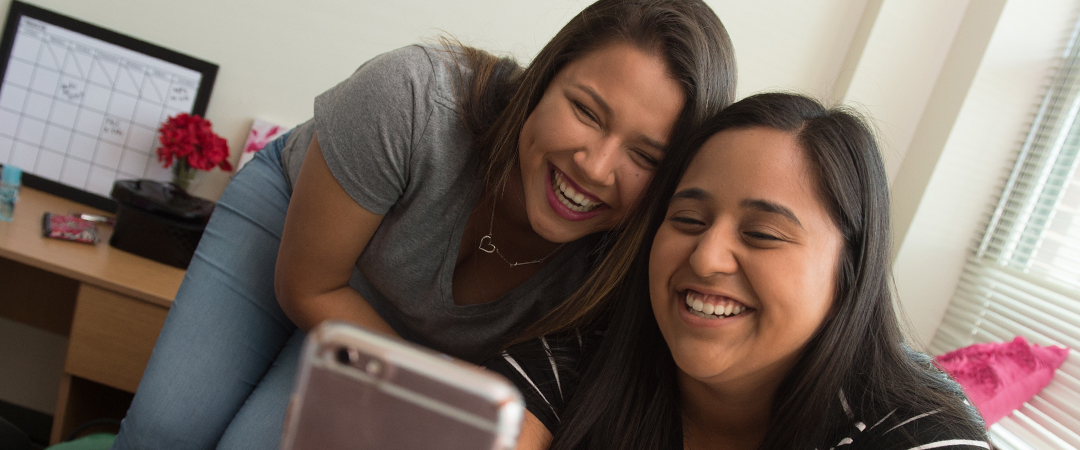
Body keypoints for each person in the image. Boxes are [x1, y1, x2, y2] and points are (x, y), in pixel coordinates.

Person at [112, 1, 736, 448]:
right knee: (163, 431)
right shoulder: (411, 98)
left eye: (646, 157)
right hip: (311, 245)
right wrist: (452, 387)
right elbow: (308, 288)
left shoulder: (629, 266)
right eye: (585, 111)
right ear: (542, 79)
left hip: (415, 348)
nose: (596, 167)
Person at [488, 93, 991, 449]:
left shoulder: (917, 430)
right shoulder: (572, 367)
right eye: (687, 220)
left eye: (762, 234)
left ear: (850, 272)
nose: (706, 258)